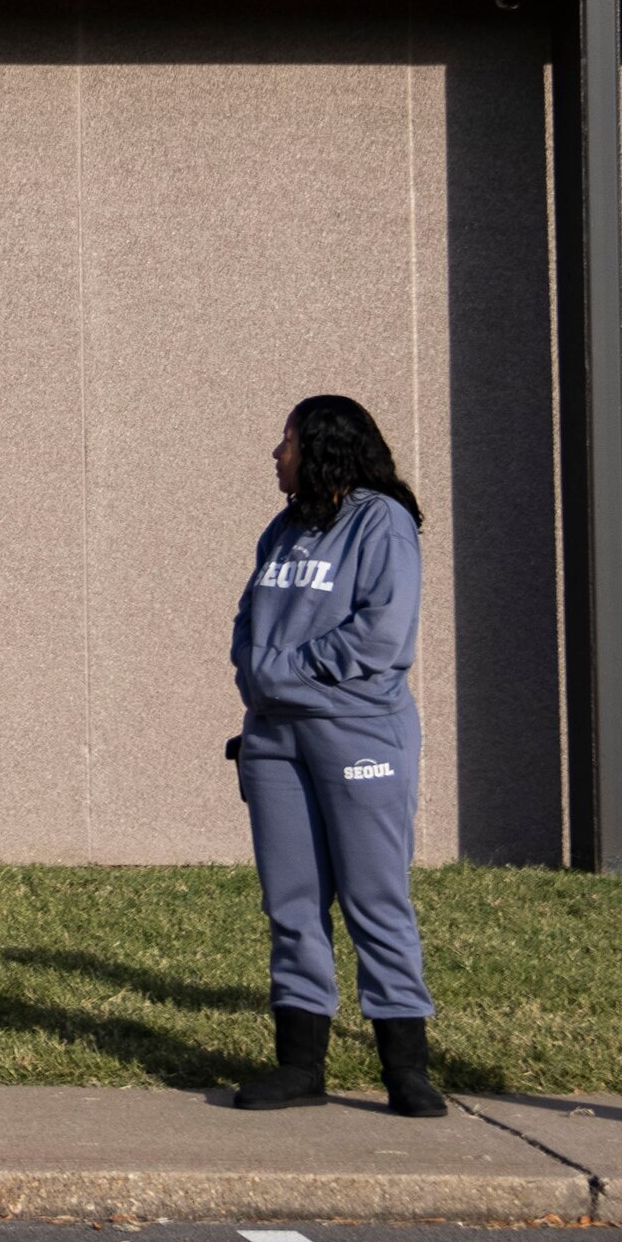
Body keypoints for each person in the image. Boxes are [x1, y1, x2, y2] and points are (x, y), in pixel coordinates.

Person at [226, 392, 449, 1120]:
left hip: (357, 735)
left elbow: (382, 637)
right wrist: (254, 672)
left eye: (286, 439)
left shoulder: (381, 522)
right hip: (274, 741)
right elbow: (247, 617)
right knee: (291, 903)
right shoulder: (282, 529)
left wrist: (280, 674)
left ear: (321, 446)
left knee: (374, 898)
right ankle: (300, 1065)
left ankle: (406, 1068)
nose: (276, 452)